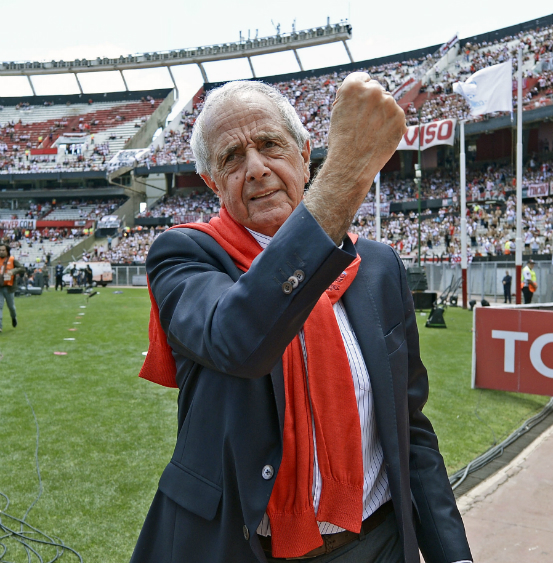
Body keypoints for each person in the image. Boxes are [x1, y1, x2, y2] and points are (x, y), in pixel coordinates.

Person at [130, 78, 472, 563]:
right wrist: (349, 170)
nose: (256, 169)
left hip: (377, 543)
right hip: (245, 548)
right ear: (211, 181)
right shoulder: (184, 256)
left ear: (305, 152)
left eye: (270, 145)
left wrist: (452, 554)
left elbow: (409, 429)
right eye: (232, 157)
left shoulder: (375, 267)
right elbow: (240, 338)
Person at [0, 244, 26, 332]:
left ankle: (13, 317)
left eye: (3, 250)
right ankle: (0, 326)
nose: (1, 252)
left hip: (9, 287)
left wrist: (13, 271)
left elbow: (22, 268)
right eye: (0, 250)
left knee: (11, 307)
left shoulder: (12, 259)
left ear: (7, 251)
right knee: (0, 306)